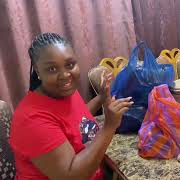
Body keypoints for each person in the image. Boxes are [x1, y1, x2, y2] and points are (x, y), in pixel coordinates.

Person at [9, 32, 133, 180]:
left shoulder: (62, 91)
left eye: (70, 65)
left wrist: (101, 97)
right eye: (52, 69)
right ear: (37, 71)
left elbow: (75, 119)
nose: (65, 75)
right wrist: (109, 127)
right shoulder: (31, 119)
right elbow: (72, 175)